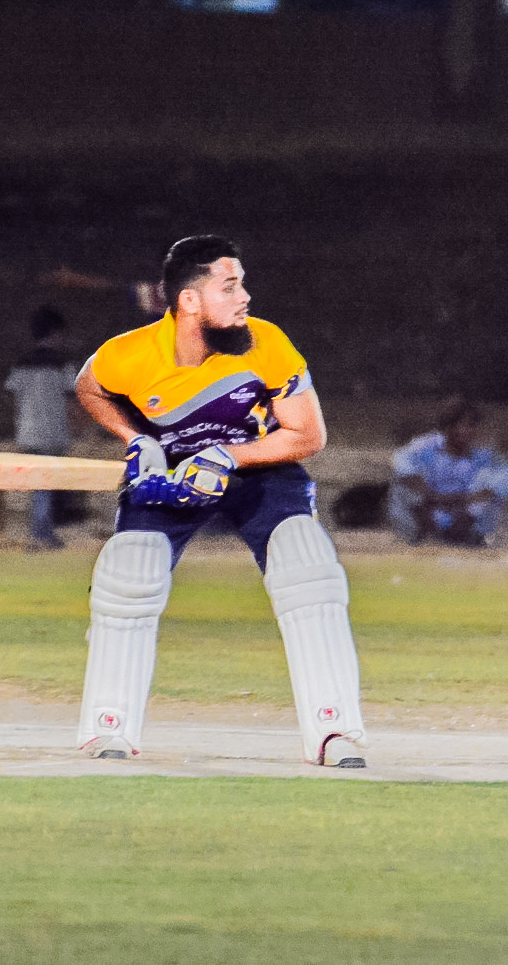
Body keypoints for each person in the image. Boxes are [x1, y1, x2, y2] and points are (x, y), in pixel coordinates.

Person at [72, 235, 368, 768]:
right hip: (172, 473)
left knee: (307, 566)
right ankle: (107, 727)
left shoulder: (265, 342)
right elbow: (88, 387)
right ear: (189, 300)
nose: (245, 297)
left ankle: (334, 730)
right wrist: (137, 440)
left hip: (259, 468)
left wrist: (228, 456)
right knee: (129, 571)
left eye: (242, 284)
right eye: (229, 287)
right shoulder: (129, 354)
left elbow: (307, 435)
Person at [388, 399, 508, 547]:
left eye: (470, 425)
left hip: (464, 516)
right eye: (458, 424)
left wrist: (463, 504)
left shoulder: (484, 455)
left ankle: (472, 539)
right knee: (401, 486)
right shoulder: (427, 446)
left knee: (493, 490)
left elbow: (505, 478)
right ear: (447, 427)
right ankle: (420, 539)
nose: (464, 431)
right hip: (428, 510)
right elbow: (401, 464)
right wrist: (432, 497)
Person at [4, 306, 79, 551]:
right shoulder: (63, 364)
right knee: (45, 485)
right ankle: (40, 535)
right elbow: (72, 398)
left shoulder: (22, 363)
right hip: (53, 432)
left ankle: (44, 532)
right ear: (55, 333)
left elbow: (11, 394)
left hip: (27, 430)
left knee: (40, 484)